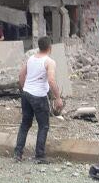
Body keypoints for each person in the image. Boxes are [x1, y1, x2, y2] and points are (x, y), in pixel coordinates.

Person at [14, 36, 63, 164]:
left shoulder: (31, 58)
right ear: (49, 47)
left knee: (25, 124)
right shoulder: (49, 61)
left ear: (39, 47)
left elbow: (21, 75)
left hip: (26, 94)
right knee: (43, 126)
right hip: (39, 96)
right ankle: (39, 155)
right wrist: (57, 98)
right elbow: (51, 80)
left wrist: (24, 89)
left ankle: (18, 153)